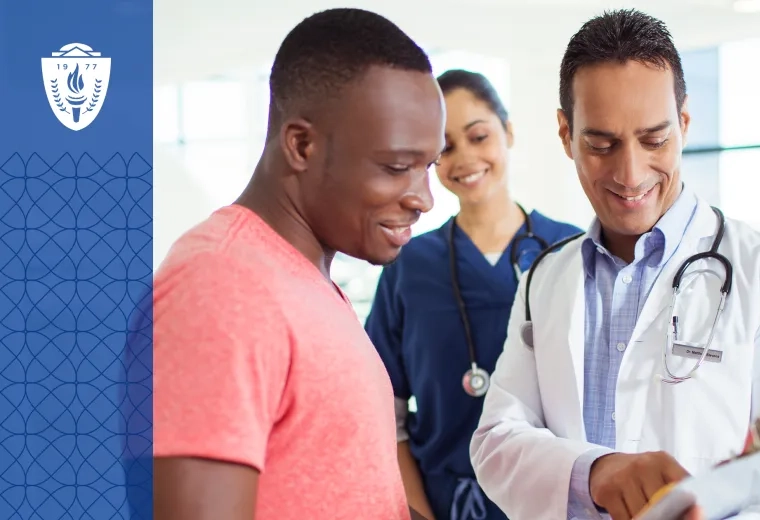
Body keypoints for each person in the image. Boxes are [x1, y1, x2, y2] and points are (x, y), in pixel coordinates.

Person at [152, 8, 446, 520]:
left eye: (429, 167)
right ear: (301, 145)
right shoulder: (222, 285)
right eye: (397, 167)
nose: (424, 199)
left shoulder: (300, 280)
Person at [469, 9, 760, 520]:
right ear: (565, 134)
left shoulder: (752, 267)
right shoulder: (545, 279)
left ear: (684, 124)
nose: (630, 174)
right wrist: (596, 472)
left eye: (655, 140)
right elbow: (496, 440)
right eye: (601, 144)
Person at [364, 69, 582, 520]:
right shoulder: (408, 265)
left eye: (478, 136)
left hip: (553, 504)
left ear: (508, 133)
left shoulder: (570, 252)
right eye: (445, 147)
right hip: (444, 503)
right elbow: (384, 412)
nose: (464, 158)